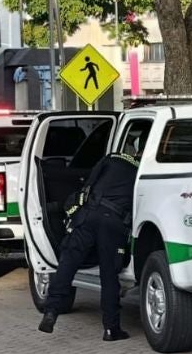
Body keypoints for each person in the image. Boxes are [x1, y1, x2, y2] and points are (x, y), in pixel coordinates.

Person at [38, 135, 139, 341]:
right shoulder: (141, 171)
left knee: (67, 263)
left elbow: (88, 184)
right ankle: (111, 329)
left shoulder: (111, 158)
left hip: (88, 216)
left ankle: (51, 311)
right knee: (109, 275)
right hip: (114, 223)